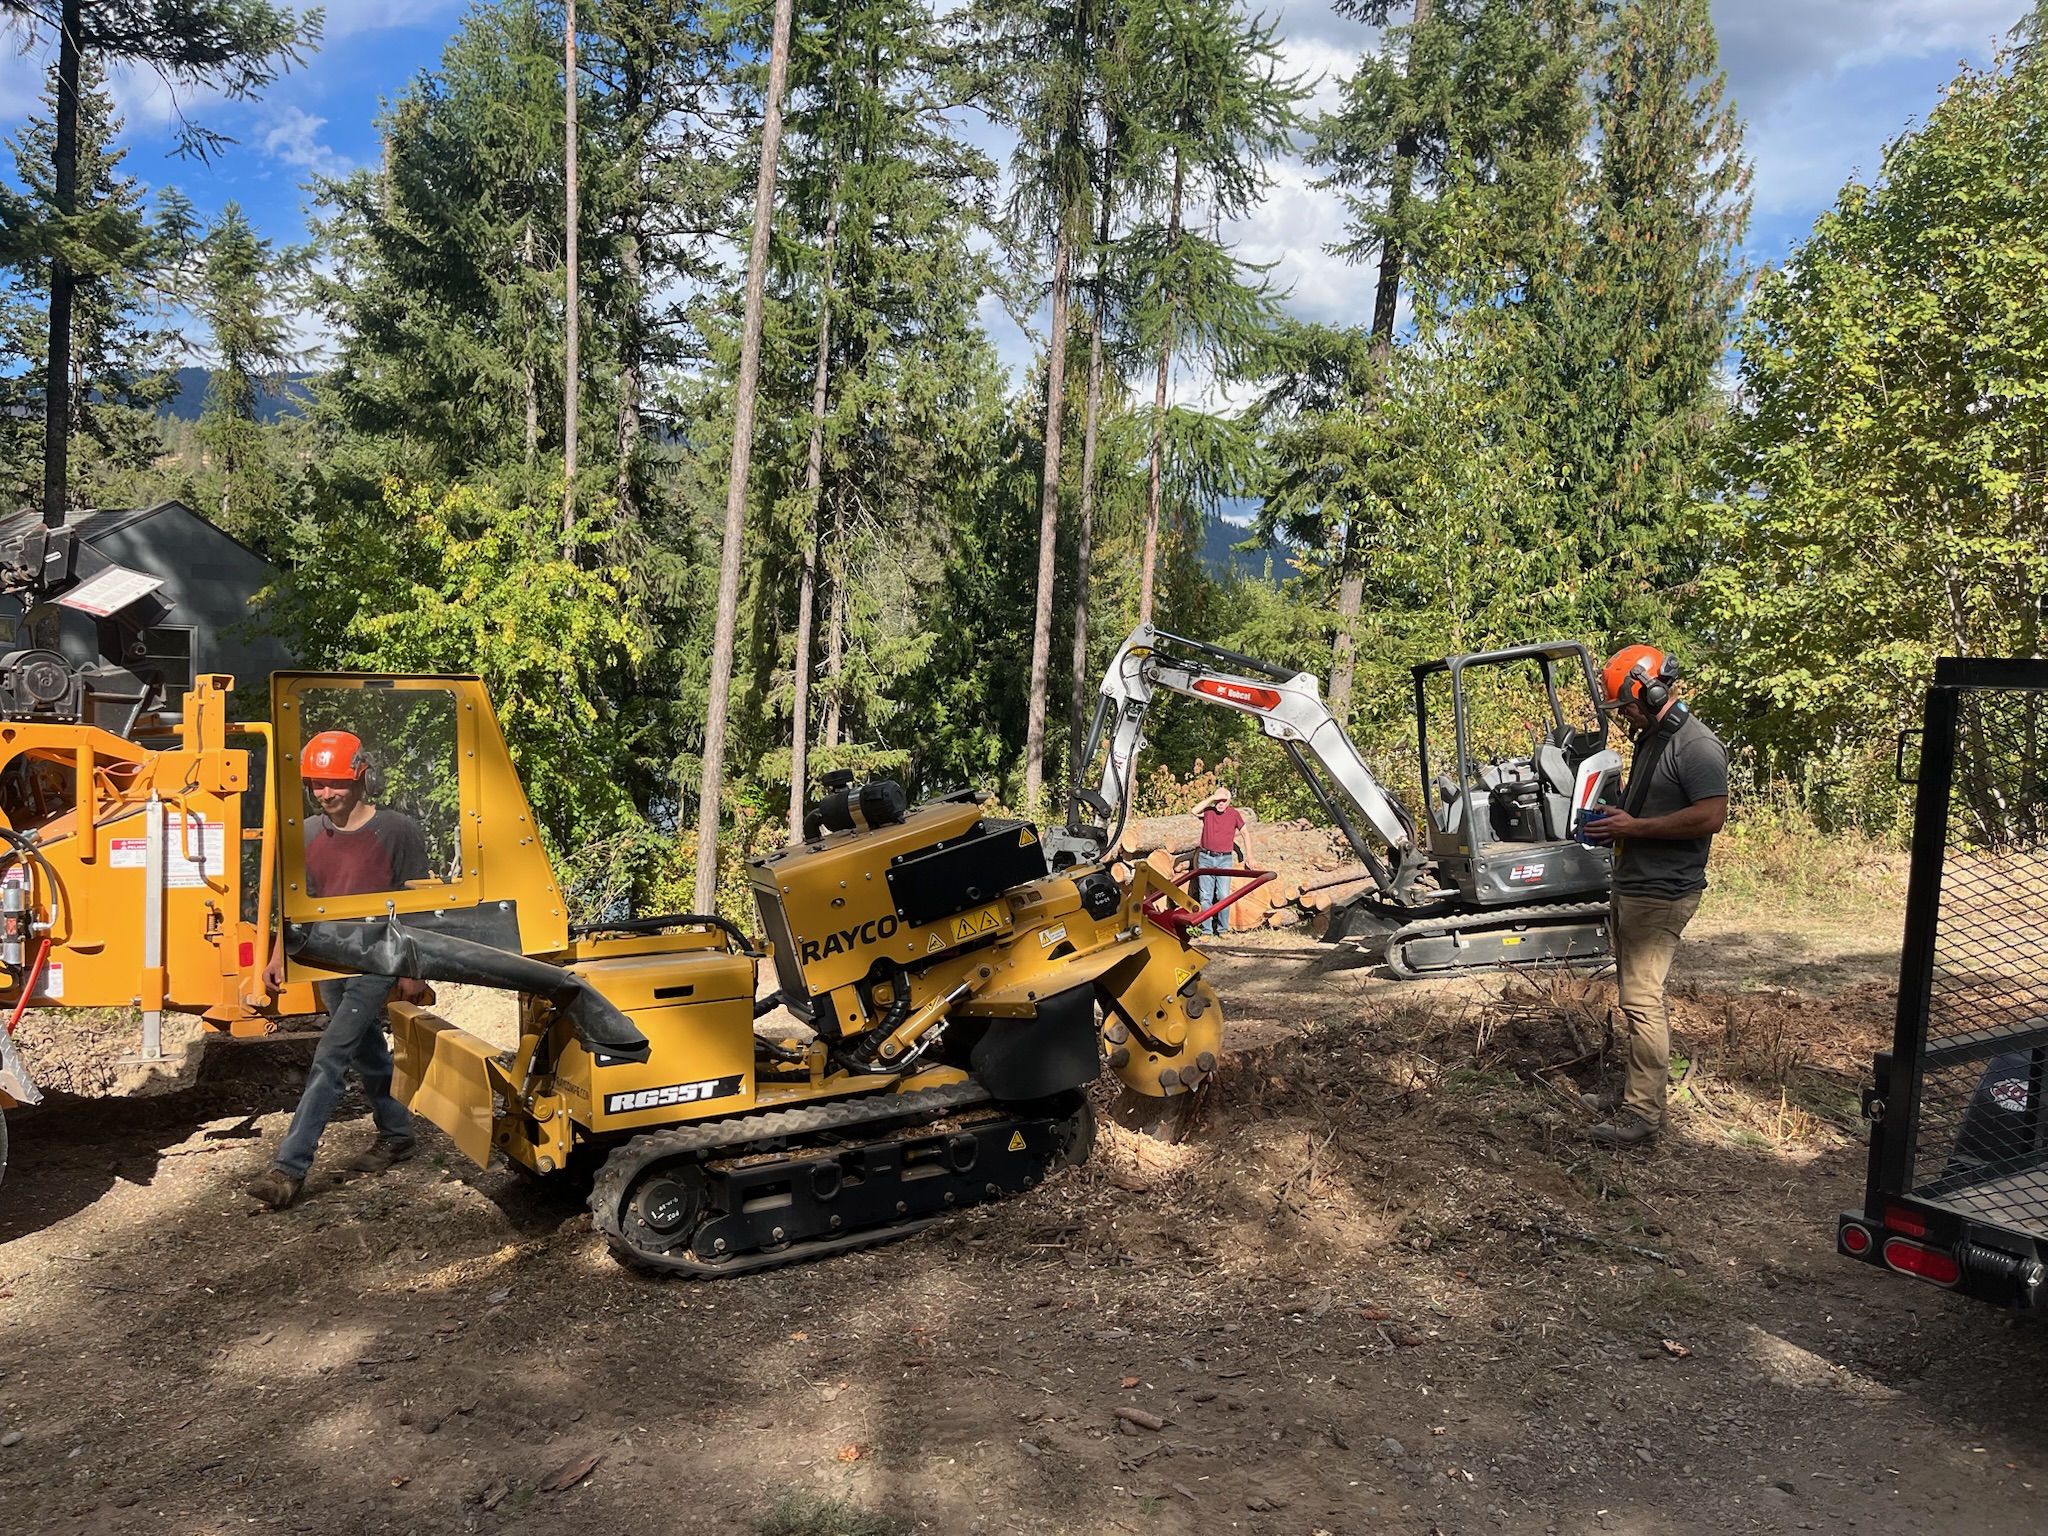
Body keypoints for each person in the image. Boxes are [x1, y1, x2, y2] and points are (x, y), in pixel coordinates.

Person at [246, 730, 431, 1210]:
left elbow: (415, 907)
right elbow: (293, 906)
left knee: (331, 1053)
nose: (326, 794)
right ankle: (397, 1133)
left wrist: (412, 971)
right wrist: (275, 956)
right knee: (364, 1047)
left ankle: (288, 1169)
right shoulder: (306, 834)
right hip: (327, 958)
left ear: (361, 778)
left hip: (378, 958)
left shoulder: (397, 831)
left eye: (335, 784)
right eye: (317, 786)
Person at [1579, 645, 1728, 1147]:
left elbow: (1711, 817)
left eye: (1627, 706)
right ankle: (1632, 1093)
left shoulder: (1697, 746)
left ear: (1652, 690)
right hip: (1634, 883)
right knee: (1632, 999)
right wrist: (1614, 822)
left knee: (1643, 1001)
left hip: (1663, 893)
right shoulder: (1653, 739)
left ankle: (1644, 1115)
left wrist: (1636, 827)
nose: (1623, 717)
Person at [1190, 787, 1249, 938]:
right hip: (1205, 858)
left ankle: (1223, 929)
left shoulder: (1234, 814)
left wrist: (1249, 856)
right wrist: (1212, 797)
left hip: (1224, 859)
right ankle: (1206, 931)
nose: (1220, 803)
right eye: (1218, 800)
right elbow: (1193, 811)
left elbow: (1245, 833)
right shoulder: (1208, 812)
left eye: (1224, 800)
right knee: (1205, 896)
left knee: (1223, 895)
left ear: (1229, 801)